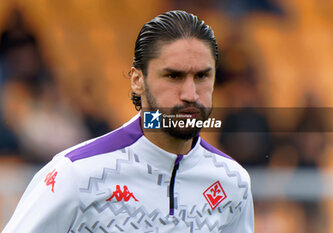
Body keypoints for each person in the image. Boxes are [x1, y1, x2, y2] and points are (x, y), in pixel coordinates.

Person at [3, 10, 254, 233]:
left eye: (202, 76)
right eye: (173, 76)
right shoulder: (74, 173)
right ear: (137, 80)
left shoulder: (232, 181)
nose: (190, 93)